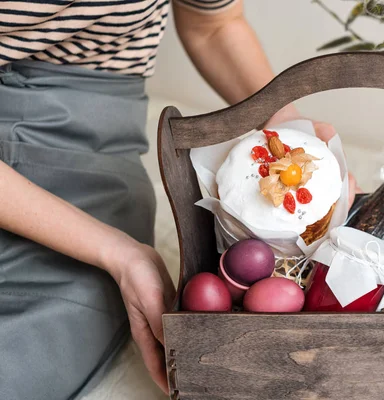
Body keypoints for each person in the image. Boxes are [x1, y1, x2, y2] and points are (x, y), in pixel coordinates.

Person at [0, 0, 357, 398]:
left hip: (87, 133)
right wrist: (118, 254)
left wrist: (288, 125)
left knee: (36, 346)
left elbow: (214, 23)